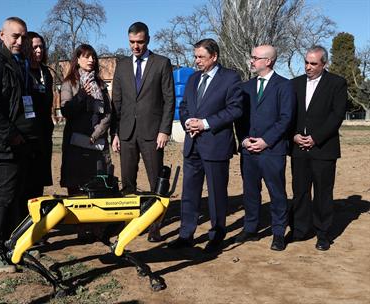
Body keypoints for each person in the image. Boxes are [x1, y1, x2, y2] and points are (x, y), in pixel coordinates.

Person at [0, 17, 40, 273]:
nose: (20, 41)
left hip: (20, 144)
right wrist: (11, 134)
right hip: (4, 145)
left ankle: (10, 244)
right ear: (2, 34)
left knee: (15, 197)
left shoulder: (17, 63)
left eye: (23, 37)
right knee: (2, 197)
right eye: (15, 36)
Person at [168, 38, 243, 253]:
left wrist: (205, 124)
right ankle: (186, 235)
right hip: (192, 145)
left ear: (214, 56)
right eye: (195, 56)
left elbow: (235, 109)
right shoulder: (192, 79)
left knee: (217, 194)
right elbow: (183, 106)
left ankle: (217, 236)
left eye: (201, 56)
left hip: (216, 145)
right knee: (189, 193)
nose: (197, 60)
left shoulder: (230, 78)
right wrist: (188, 122)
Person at [111, 22, 175, 242]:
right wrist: (115, 133)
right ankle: (130, 223)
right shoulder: (121, 65)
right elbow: (116, 102)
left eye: (139, 42)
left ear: (147, 40)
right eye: (131, 42)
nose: (135, 47)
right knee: (127, 181)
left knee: (155, 180)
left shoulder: (162, 63)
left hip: (152, 133)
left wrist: (164, 130)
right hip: (126, 132)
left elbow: (169, 99)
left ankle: (155, 225)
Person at [234, 45, 295, 251]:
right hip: (248, 150)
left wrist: (266, 141)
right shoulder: (245, 87)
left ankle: (278, 232)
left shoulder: (284, 86)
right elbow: (239, 118)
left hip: (272, 150)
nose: (251, 61)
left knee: (277, 193)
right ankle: (250, 228)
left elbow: (286, 118)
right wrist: (243, 140)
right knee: (250, 192)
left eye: (255, 57)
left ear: (268, 61)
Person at [290, 45, 347, 251]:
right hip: (298, 147)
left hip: (324, 148)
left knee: (323, 193)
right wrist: (293, 135)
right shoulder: (294, 84)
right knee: (300, 191)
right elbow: (289, 114)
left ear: (324, 64)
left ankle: (323, 233)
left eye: (313, 63)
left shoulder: (337, 83)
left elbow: (337, 115)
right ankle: (300, 229)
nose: (308, 67)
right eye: (306, 62)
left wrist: (315, 138)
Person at [60, 44, 111, 194]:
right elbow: (66, 111)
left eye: (93, 56)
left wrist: (96, 134)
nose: (91, 60)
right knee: (76, 187)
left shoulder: (100, 84)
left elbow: (108, 113)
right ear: (77, 59)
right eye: (86, 56)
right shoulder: (69, 83)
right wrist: (81, 96)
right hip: (76, 143)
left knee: (98, 184)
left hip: (97, 142)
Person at [26, 31, 54, 198]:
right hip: (28, 134)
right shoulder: (22, 70)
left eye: (41, 47)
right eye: (35, 47)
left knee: (39, 180)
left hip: (43, 134)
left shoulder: (46, 72)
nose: (39, 50)